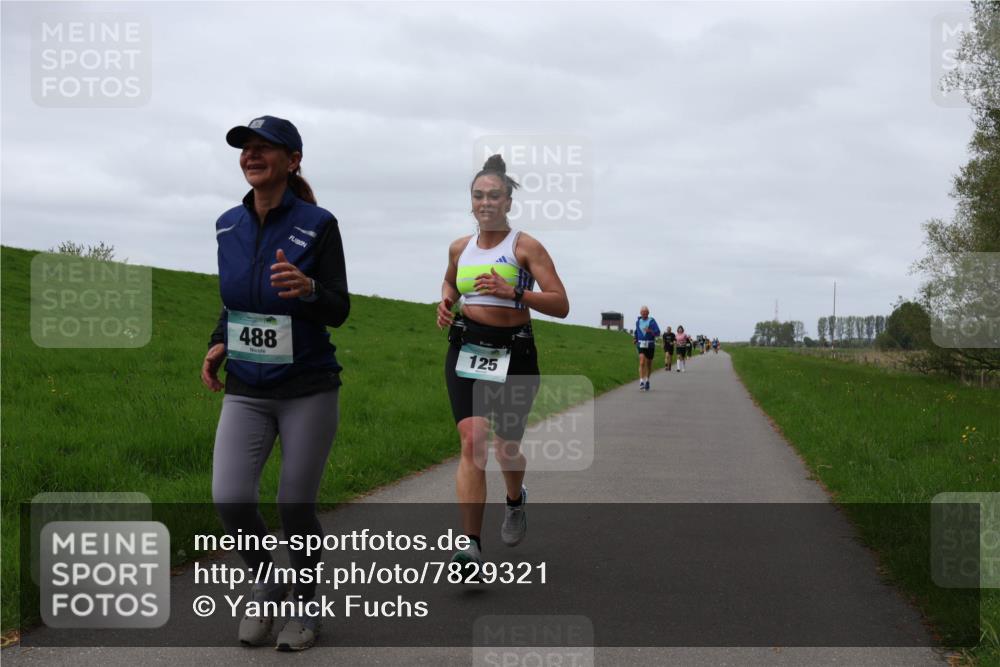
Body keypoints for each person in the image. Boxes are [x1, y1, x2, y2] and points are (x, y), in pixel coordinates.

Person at [201, 115, 349, 651]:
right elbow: (233, 300)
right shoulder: (226, 226)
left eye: (266, 149)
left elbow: (339, 307)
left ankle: (307, 608)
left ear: (293, 160)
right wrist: (220, 341)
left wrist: (308, 287)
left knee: (293, 505)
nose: (252, 156)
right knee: (231, 499)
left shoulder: (319, 223)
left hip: (307, 386)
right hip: (246, 387)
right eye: (246, 149)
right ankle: (269, 580)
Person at [436, 154, 569, 573]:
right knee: (472, 440)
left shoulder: (525, 247)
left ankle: (515, 500)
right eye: (478, 195)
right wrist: (445, 303)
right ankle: (470, 547)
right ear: (470, 201)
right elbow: (450, 280)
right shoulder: (461, 246)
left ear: (509, 201)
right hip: (467, 347)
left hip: (515, 351)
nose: (485, 202)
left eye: (494, 195)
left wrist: (515, 293)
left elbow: (561, 304)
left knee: (506, 446)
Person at [633, 306, 660, 390]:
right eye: (642, 312)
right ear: (640, 313)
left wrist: (650, 331)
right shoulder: (638, 321)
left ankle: (647, 380)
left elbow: (658, 333)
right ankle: (641, 381)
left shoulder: (652, 321)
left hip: (650, 344)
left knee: (648, 363)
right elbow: (636, 331)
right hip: (641, 344)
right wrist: (635, 338)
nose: (644, 314)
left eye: (645, 312)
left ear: (648, 313)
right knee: (641, 362)